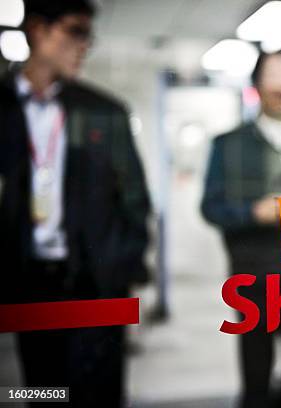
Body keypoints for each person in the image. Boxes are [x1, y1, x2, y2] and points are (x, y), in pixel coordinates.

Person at [0, 1, 151, 406]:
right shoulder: (5, 111)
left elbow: (135, 202)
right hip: (32, 283)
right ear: (37, 29)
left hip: (97, 285)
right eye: (75, 32)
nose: (84, 45)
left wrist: (121, 272)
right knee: (44, 391)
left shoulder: (105, 113)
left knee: (100, 394)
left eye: (89, 34)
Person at [201, 52, 281, 407]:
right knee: (256, 377)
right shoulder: (227, 145)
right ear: (257, 85)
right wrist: (253, 213)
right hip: (255, 277)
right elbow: (210, 207)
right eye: (274, 75)